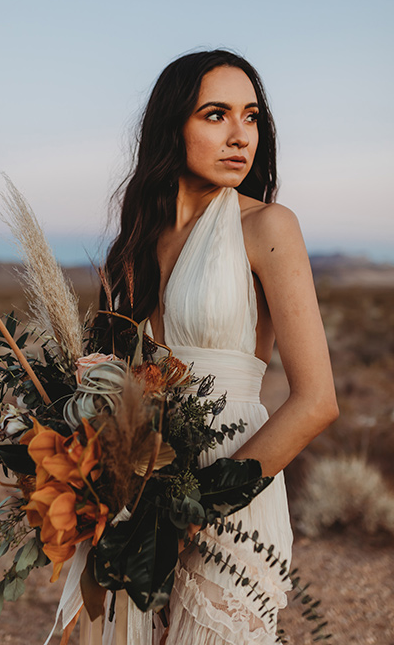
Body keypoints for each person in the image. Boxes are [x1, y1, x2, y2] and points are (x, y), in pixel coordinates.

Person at [96, 49, 338, 644]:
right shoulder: (134, 245)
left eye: (251, 116)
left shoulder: (266, 226)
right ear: (171, 126)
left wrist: (193, 510)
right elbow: (108, 381)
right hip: (138, 490)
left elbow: (317, 402)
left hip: (230, 487)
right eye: (215, 115)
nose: (240, 136)